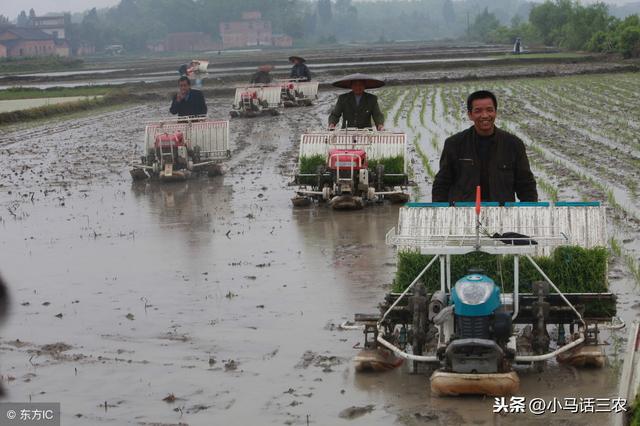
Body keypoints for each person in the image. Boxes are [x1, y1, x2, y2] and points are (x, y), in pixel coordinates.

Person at [432, 90, 537, 204]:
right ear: (470, 115)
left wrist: (529, 212)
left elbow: (526, 186)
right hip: (464, 212)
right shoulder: (454, 144)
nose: (485, 115)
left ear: (495, 112)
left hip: (502, 213)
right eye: (478, 111)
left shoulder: (513, 144)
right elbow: (441, 184)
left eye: (489, 110)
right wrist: (441, 213)